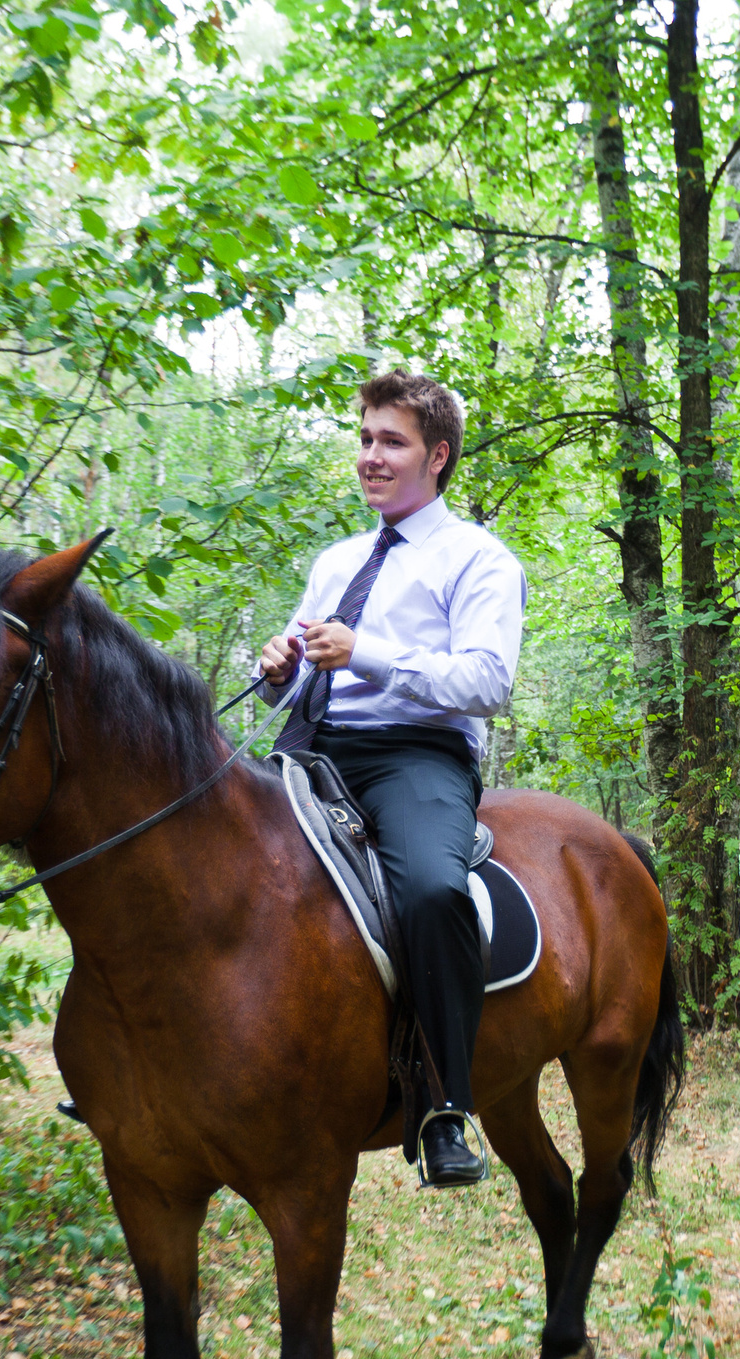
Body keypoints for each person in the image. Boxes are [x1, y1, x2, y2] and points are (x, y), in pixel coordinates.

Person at [258, 371, 526, 1189]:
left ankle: (445, 1104)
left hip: (416, 756)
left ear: (437, 456)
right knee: (200, 856)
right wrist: (277, 668)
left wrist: (367, 653)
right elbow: (304, 669)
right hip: (314, 745)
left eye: (392, 442)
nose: (371, 457)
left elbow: (488, 681)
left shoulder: (478, 559)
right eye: (366, 439)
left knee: (431, 892)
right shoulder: (337, 560)